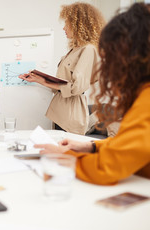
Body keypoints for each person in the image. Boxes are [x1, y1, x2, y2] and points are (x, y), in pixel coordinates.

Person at [34, 3, 150, 184]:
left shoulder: (146, 101)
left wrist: (69, 156)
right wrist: (91, 146)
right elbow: (127, 146)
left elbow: (107, 167)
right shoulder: (142, 97)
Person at [19, 2, 105, 135]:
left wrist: (47, 81)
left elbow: (76, 88)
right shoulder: (73, 50)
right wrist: (38, 79)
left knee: (66, 153)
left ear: (78, 24)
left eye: (67, 24)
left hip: (71, 115)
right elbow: (60, 86)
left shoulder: (88, 49)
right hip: (60, 112)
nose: (64, 28)